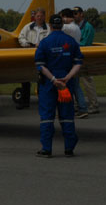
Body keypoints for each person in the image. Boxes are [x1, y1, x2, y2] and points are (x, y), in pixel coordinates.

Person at [35, 14, 83, 157]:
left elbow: (40, 65)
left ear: (50, 25)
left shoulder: (44, 43)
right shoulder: (71, 42)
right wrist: (67, 78)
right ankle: (69, 148)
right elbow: (78, 63)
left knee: (47, 117)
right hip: (66, 83)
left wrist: (53, 79)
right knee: (67, 116)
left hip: (49, 84)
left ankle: (46, 149)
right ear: (62, 25)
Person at [17, 7, 49, 109]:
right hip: (28, 54)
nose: (39, 18)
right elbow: (21, 37)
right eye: (37, 16)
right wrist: (27, 44)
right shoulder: (27, 27)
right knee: (25, 80)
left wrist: (41, 45)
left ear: (44, 17)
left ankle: (42, 102)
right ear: (35, 17)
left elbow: (50, 40)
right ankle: (25, 102)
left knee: (41, 80)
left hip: (42, 56)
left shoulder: (48, 28)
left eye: (41, 16)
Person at [60, 8, 88, 119]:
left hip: (69, 58)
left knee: (74, 85)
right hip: (75, 56)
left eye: (63, 17)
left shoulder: (69, 28)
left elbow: (55, 27)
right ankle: (80, 107)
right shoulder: (76, 28)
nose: (62, 20)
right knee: (75, 84)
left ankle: (81, 108)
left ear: (66, 17)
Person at [73, 6, 99, 115]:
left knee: (87, 81)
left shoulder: (87, 27)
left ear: (81, 14)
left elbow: (85, 43)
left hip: (85, 57)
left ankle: (94, 105)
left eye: (76, 13)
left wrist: (71, 44)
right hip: (75, 57)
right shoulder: (74, 26)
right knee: (75, 83)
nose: (74, 15)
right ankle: (78, 104)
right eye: (73, 13)